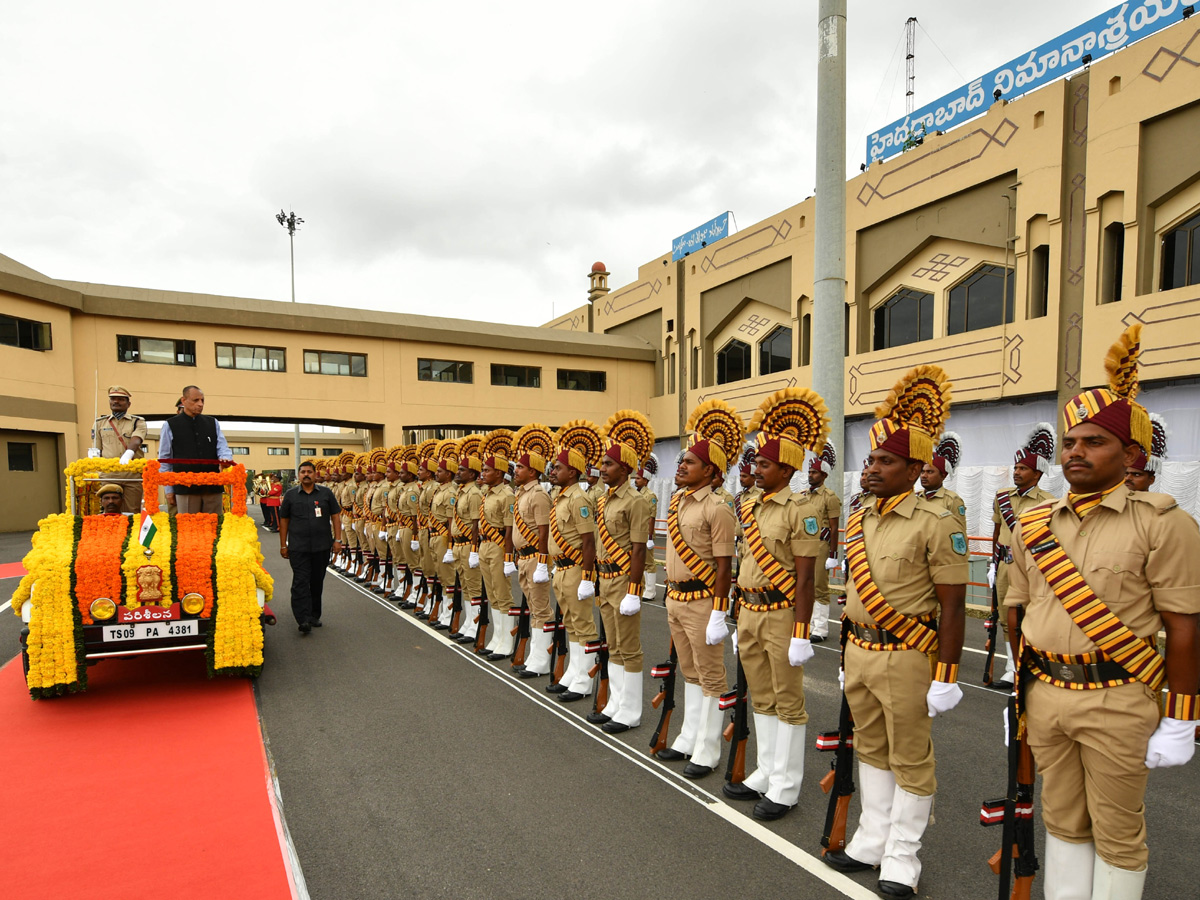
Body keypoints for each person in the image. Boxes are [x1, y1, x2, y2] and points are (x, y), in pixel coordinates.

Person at [1006, 325, 1200, 900]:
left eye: (1093, 442)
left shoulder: (1163, 523)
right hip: (1046, 696)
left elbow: (1185, 625)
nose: (1075, 453)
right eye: (1070, 443)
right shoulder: (1034, 524)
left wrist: (1183, 716)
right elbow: (1019, 609)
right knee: (1063, 821)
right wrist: (1022, 694)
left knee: (1117, 833)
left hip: (1118, 697)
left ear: (1132, 454)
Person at [824, 365, 968, 900]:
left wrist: (947, 676)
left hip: (910, 655)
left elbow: (953, 609)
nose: (872, 468)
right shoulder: (862, 517)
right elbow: (855, 597)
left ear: (916, 468)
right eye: (871, 459)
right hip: (861, 650)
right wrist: (844, 655)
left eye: (886, 461)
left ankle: (903, 855)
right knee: (871, 749)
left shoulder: (937, 522)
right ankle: (871, 836)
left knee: (910, 755)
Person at [722, 388, 827, 821]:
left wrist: (803, 632)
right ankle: (766, 772)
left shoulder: (799, 510)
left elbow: (804, 578)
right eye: (756, 463)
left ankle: (786, 786)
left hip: (783, 613)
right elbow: (744, 563)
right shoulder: (751, 506)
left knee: (788, 699)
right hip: (749, 610)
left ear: (786, 468)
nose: (755, 469)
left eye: (764, 464)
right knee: (761, 697)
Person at [654, 399, 739, 779]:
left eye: (689, 462)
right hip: (676, 597)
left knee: (710, 675)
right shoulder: (676, 502)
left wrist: (720, 612)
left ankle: (708, 749)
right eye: (681, 461)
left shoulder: (718, 508)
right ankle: (689, 737)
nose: (680, 465)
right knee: (689, 672)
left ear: (710, 470)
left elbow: (724, 566)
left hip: (704, 600)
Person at [592, 409, 655, 732]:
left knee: (629, 647)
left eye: (608, 464)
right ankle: (615, 703)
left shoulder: (636, 501)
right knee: (613, 644)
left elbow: (639, 548)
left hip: (622, 578)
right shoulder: (603, 501)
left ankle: (630, 711)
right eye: (602, 463)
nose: (602, 468)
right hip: (604, 578)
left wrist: (634, 590)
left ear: (626, 468)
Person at [989, 423, 1057, 689]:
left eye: (1022, 469)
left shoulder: (1048, 501)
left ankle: (1035, 664)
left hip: (1032, 566)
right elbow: (996, 531)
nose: (1016, 472)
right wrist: (992, 563)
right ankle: (1011, 667)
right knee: (1007, 617)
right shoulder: (1001, 497)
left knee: (1033, 614)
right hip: (1005, 562)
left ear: (1037, 474)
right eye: (1015, 468)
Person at [546, 420, 603, 700]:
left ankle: (584, 681)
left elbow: (589, 542)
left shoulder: (579, 499)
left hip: (576, 569)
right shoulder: (560, 497)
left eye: (558, 468)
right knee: (570, 623)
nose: (553, 471)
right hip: (561, 570)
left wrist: (587, 578)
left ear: (573, 472)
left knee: (584, 624)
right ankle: (574, 671)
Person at [511, 423, 556, 678]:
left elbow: (543, 532)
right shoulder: (520, 494)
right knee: (532, 606)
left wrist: (542, 563)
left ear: (533, 471)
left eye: (520, 467)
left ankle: (541, 660)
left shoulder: (538, 494)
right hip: (523, 558)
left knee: (540, 609)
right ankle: (536, 655)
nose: (516, 470)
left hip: (535, 559)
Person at [278, 460, 343, 634]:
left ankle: (314, 615)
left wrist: (338, 540)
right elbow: (284, 520)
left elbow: (336, 516)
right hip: (298, 548)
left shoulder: (326, 493)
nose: (306, 474)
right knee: (300, 582)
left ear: (315, 474)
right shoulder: (291, 495)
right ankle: (303, 619)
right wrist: (283, 545)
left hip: (321, 547)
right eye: (303, 472)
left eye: (309, 472)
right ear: (298, 475)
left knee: (316, 581)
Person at [159, 386, 232, 514]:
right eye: (196, 400)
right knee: (188, 529)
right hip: (185, 488)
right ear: (184, 400)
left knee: (215, 528)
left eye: (202, 400)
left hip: (212, 487)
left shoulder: (212, 422)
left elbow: (222, 447)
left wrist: (226, 458)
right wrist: (169, 490)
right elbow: (165, 460)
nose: (200, 404)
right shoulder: (170, 425)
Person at [478, 431, 517, 660]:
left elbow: (510, 528)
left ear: (500, 473)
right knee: (492, 594)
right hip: (485, 546)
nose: (483, 473)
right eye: (483, 469)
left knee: (503, 594)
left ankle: (507, 642)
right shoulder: (487, 493)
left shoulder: (507, 494)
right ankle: (498, 637)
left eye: (487, 470)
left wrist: (509, 557)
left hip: (499, 546)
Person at [89, 385, 148, 513]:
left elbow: (137, 439)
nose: (116, 401)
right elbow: (97, 449)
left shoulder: (137, 422)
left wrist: (129, 453)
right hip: (109, 475)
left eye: (121, 399)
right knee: (110, 511)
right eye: (113, 399)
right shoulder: (100, 423)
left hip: (131, 475)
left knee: (131, 512)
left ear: (128, 403)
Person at [806, 441, 842, 644]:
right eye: (809, 472)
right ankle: (808, 624)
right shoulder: (805, 495)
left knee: (819, 587)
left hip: (821, 546)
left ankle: (820, 628)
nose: (810, 475)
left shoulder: (830, 497)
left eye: (814, 472)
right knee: (805, 585)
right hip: (805, 546)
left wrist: (833, 555)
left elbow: (835, 527)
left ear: (824, 475)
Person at [919, 432, 966, 530]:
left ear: (943, 476)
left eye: (930, 472)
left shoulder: (952, 500)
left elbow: (959, 531)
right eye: (922, 472)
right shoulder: (916, 498)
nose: (924, 476)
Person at [635, 454, 660, 602]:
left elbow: (651, 517)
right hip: (637, 532)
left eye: (638, 478)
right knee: (640, 561)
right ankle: (643, 588)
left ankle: (650, 591)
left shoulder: (650, 495)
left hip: (646, 533)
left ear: (646, 480)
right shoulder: (637, 494)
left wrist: (650, 537)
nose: (635, 481)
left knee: (649, 563)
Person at [1124, 413, 1168, 493]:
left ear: (1151, 480)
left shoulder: (1160, 504)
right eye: (1125, 474)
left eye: (1136, 474)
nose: (1128, 478)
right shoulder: (1110, 503)